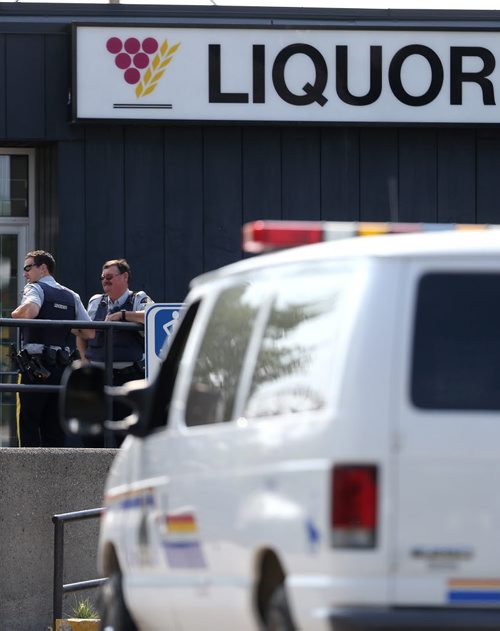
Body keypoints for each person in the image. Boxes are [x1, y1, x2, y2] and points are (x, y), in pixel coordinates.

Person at [11, 250, 94, 447]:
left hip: (35, 368)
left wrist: (14, 313)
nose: (25, 274)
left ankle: (29, 474)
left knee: (28, 425)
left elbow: (30, 311)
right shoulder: (70, 295)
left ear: (43, 268)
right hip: (61, 368)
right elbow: (90, 332)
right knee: (54, 427)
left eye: (28, 267)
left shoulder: (35, 288)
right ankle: (54, 476)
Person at [77, 258, 154, 447]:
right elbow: (82, 333)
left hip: (126, 377)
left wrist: (123, 316)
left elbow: (153, 315)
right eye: (103, 278)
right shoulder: (95, 301)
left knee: (125, 435)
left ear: (125, 277)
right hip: (97, 376)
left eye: (110, 277)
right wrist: (83, 359)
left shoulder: (138, 298)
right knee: (91, 434)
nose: (105, 281)